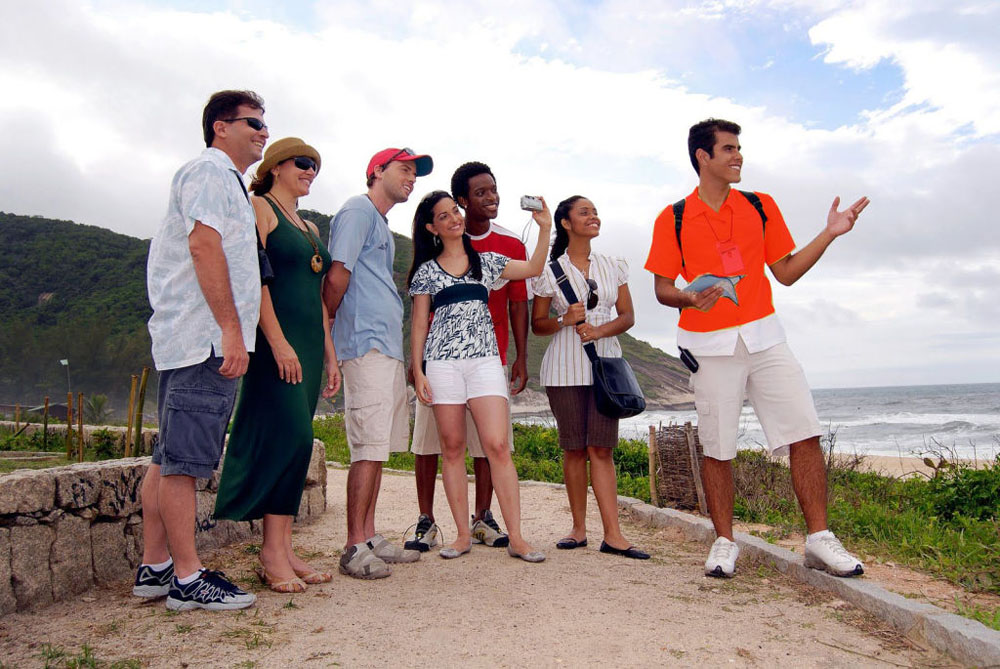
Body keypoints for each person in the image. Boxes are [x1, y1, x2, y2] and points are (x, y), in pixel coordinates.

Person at [645, 118, 870, 578]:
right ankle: (725, 542)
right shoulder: (674, 218)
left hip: (767, 338)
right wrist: (688, 296)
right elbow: (663, 289)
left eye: (739, 148)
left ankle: (818, 540)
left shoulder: (760, 205)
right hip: (708, 346)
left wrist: (829, 233)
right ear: (702, 157)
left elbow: (785, 272)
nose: (738, 156)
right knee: (717, 446)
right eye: (728, 149)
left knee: (803, 433)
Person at [137, 89, 267, 610]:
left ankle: (155, 566)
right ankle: (188, 579)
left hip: (191, 338)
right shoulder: (210, 172)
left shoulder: (227, 181)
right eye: (252, 122)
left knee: (168, 457)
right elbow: (203, 245)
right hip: (203, 340)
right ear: (220, 126)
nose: (262, 130)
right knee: (185, 464)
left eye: (264, 122)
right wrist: (231, 333)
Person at [214, 137, 340, 593]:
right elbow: (254, 278)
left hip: (308, 342)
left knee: (297, 445)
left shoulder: (308, 225)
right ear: (276, 166)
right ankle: (270, 554)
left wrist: (329, 354)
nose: (311, 171)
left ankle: (284, 548)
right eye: (304, 163)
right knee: (293, 436)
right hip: (276, 343)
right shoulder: (259, 206)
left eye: (315, 166)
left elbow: (318, 300)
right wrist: (277, 341)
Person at [408, 190, 551, 563]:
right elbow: (420, 324)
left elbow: (534, 268)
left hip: (485, 361)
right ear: (432, 228)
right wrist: (418, 369)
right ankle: (460, 535)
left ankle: (517, 537)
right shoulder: (425, 271)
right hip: (442, 365)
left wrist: (545, 228)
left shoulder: (486, 261)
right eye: (443, 215)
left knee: (497, 446)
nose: (454, 217)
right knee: (452, 449)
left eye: (454, 211)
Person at [323, 147, 433, 579]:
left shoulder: (380, 223)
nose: (411, 177)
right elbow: (337, 275)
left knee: (380, 448)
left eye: (414, 173)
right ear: (376, 171)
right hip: (363, 345)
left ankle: (368, 535)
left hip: (384, 347)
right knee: (366, 447)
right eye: (404, 169)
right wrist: (328, 327)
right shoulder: (357, 210)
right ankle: (353, 545)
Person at [531, 196, 650, 560]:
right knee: (574, 448)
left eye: (595, 211)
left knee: (602, 449)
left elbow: (628, 316)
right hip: (563, 369)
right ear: (565, 223)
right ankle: (578, 530)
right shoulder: (548, 270)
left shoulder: (613, 265)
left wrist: (599, 332)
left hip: (606, 367)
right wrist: (565, 320)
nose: (593, 216)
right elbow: (538, 326)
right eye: (584, 212)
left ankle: (613, 534)